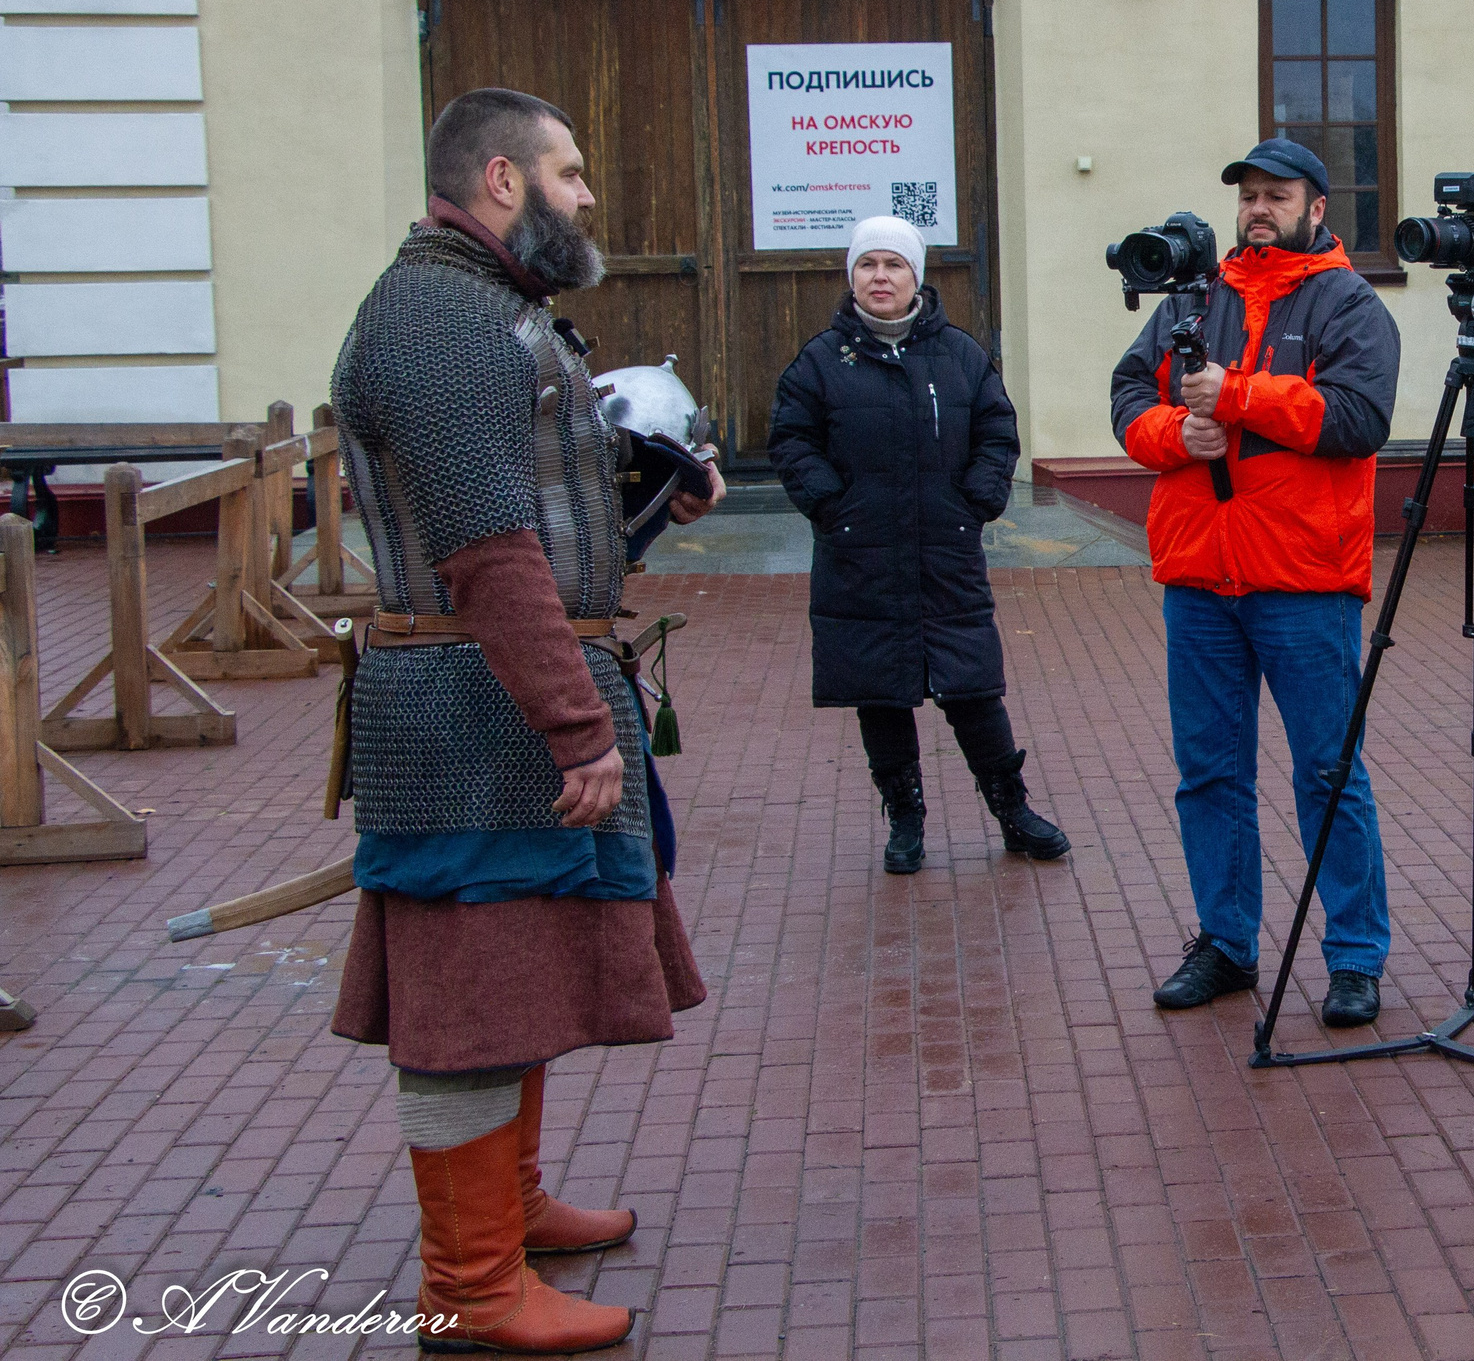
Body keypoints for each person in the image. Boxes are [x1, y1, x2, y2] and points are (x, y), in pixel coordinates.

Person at [330, 86, 723, 1353]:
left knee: (524, 972)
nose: (589, 195)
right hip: (462, 715)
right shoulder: (438, 320)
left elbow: (550, 525)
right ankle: (471, 1285)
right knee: (469, 999)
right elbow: (488, 554)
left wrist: (654, 507)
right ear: (501, 181)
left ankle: (514, 1204)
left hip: (497, 702)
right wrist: (576, 726)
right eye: (569, 171)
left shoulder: (500, 311)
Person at [1109, 139, 1401, 1026]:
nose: (1258, 209)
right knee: (1210, 772)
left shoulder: (1349, 302)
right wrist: (1170, 433)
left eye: (1278, 196)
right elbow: (1129, 391)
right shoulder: (1196, 296)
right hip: (1200, 575)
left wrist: (1236, 396)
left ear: (1318, 209)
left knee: (1328, 769)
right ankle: (1227, 943)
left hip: (1303, 579)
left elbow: (1358, 418)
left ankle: (1355, 956)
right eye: (1249, 197)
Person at [769, 214, 1071, 874]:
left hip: (945, 552)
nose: (881, 276)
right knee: (881, 690)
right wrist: (830, 503)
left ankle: (1012, 809)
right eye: (868, 264)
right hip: (860, 556)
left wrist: (979, 497)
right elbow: (791, 439)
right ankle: (904, 818)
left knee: (973, 688)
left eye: (894, 264)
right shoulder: (821, 361)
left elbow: (997, 430)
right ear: (851, 276)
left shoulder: (959, 355)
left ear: (917, 277)